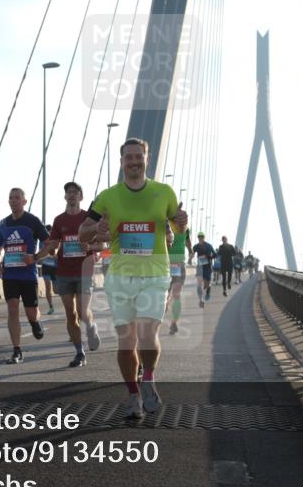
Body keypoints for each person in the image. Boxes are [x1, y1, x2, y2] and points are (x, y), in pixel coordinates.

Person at [79, 138, 187, 420]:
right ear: (122, 161)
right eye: (129, 157)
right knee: (126, 342)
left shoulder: (164, 192)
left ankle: (148, 377)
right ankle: (133, 394)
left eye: (139, 156)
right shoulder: (107, 196)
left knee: (147, 335)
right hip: (120, 277)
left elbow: (177, 225)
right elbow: (83, 233)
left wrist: (182, 221)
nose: (134, 161)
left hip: (154, 275)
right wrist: (95, 229)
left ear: (147, 159)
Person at [39, 181, 104, 367]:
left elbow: (102, 245)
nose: (72, 195)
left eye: (75, 192)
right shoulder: (59, 220)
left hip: (84, 271)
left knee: (83, 312)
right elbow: (53, 247)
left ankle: (91, 328)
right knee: (71, 314)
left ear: (81, 197)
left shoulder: (89, 219)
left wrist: (89, 246)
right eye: (69, 192)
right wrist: (52, 248)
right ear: (65, 196)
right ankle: (79, 352)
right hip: (65, 272)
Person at [0, 188, 49, 364]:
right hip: (10, 274)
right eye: (11, 198)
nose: (14, 201)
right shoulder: (2, 224)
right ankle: (17, 350)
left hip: (28, 275)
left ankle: (35, 322)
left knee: (31, 312)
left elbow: (50, 245)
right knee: (12, 309)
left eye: (17, 198)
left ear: (24, 201)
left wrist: (35, 257)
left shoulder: (33, 221)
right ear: (8, 201)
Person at [166, 219, 192, 335]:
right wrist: (191, 253)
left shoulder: (165, 225)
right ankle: (174, 322)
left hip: (166, 264)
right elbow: (188, 243)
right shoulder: (185, 227)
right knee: (176, 296)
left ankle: (161, 318)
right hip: (179, 263)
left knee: (163, 295)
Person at [191, 232, 215, 308]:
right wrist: (189, 259)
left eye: (201, 237)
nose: (200, 238)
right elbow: (192, 253)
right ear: (198, 237)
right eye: (199, 237)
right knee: (199, 284)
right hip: (200, 266)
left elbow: (215, 254)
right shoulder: (196, 246)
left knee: (206, 284)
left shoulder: (209, 246)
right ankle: (201, 300)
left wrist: (209, 257)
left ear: (204, 237)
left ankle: (208, 290)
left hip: (207, 267)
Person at [39, 226, 57, 315]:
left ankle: (67, 301)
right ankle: (51, 307)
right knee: (47, 288)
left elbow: (56, 255)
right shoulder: (41, 242)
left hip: (55, 267)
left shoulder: (55, 240)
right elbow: (40, 255)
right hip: (46, 266)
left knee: (56, 290)